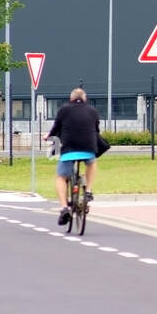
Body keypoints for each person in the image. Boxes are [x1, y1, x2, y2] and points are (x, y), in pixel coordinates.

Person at [46, 88, 102, 226]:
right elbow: (97, 130)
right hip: (88, 148)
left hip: (68, 149)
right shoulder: (93, 111)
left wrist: (48, 136)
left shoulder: (63, 110)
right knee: (92, 163)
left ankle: (64, 208)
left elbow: (56, 128)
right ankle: (88, 190)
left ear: (70, 99)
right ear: (85, 99)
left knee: (61, 177)